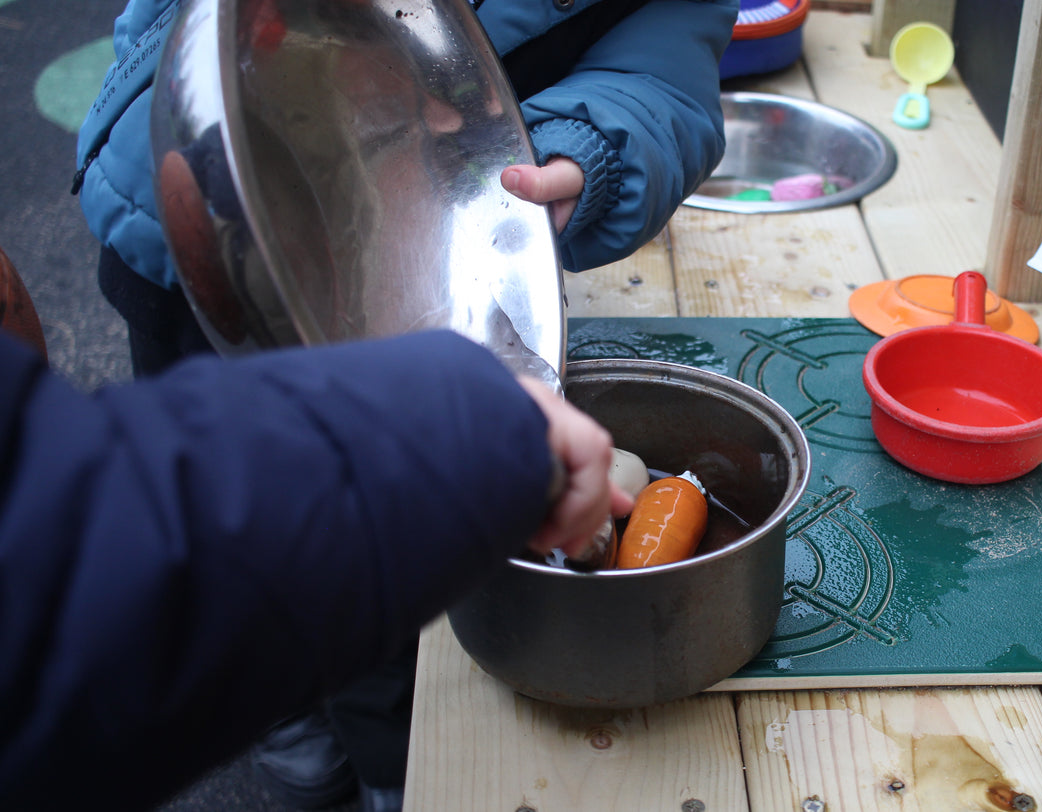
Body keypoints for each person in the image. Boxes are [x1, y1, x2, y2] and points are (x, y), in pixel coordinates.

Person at [73, 0, 738, 809]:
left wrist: (589, 144)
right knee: (232, 518)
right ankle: (289, 725)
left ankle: (388, 760)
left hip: (427, 249)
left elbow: (664, 74)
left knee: (381, 545)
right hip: (205, 230)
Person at [0, 246, 633, 811]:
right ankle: (350, 755)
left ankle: (362, 760)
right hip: (188, 259)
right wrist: (470, 428)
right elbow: (68, 560)